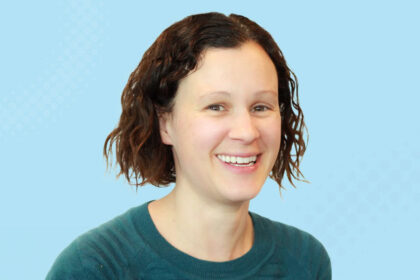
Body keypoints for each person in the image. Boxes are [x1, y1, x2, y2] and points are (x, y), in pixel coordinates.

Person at [46, 12, 331, 279]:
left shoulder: (305, 261)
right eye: (216, 106)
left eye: (260, 106)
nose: (246, 132)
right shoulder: (93, 267)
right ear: (164, 123)